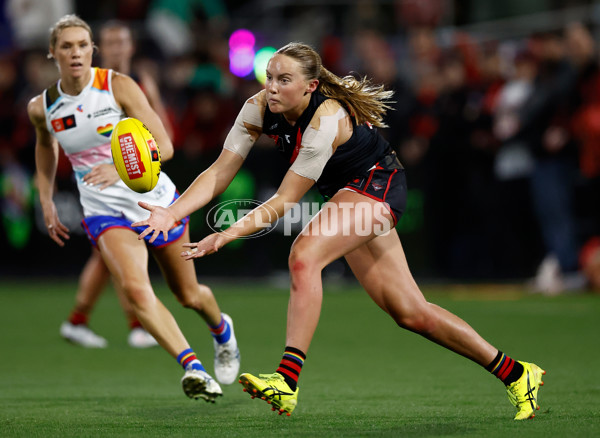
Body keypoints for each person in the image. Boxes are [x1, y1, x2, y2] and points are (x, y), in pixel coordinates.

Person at [134, 42, 545, 419]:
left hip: (378, 187)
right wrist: (171, 214)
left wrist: (226, 234)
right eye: (270, 78)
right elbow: (218, 172)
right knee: (412, 314)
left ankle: (287, 380)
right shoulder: (257, 108)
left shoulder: (326, 118)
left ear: (311, 86)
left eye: (284, 80)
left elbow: (284, 201)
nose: (272, 88)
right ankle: (517, 373)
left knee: (303, 254)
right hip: (349, 195)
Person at [27, 14, 240, 401]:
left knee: (188, 295)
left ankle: (221, 329)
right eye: (66, 46)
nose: (75, 53)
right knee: (136, 291)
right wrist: (44, 198)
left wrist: (120, 168)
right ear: (52, 53)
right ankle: (193, 368)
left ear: (91, 50)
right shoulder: (43, 107)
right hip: (104, 214)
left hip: (155, 204)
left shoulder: (118, 86)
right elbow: (46, 147)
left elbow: (167, 145)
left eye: (82, 45)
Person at [59, 20, 175, 349]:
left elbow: (165, 134)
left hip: (133, 178)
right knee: (116, 250)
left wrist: (141, 157)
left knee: (106, 255)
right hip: (98, 181)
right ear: (99, 49)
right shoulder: (87, 85)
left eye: (121, 42)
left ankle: (78, 320)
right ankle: (135, 323)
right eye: (109, 43)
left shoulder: (139, 83)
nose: (116, 48)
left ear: (131, 47)